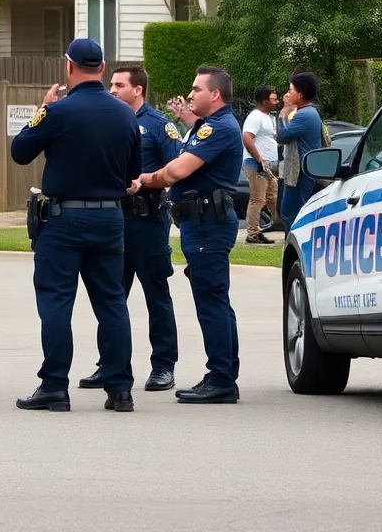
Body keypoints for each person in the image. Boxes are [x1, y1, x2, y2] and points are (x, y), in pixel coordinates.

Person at [11, 38, 141, 413]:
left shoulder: (58, 111)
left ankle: (54, 386)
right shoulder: (125, 115)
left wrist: (44, 110)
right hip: (109, 217)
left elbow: (20, 152)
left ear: (69, 66)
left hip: (63, 219)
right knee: (112, 302)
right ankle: (120, 389)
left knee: (56, 302)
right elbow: (132, 171)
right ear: (102, 68)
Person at [138, 66, 244, 404]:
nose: (190, 94)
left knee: (211, 302)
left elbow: (178, 170)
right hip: (202, 222)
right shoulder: (209, 125)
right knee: (215, 300)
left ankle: (221, 378)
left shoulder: (218, 127)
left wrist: (145, 179)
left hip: (207, 223)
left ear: (215, 94)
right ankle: (224, 373)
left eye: (196, 89)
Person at [78, 65, 182, 393]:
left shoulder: (159, 125)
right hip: (114, 220)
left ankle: (163, 366)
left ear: (137, 90)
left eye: (119, 85)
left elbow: (176, 168)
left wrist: (146, 182)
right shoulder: (108, 121)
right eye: (111, 83)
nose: (111, 89)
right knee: (111, 296)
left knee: (156, 294)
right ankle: (110, 365)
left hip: (148, 220)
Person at [277, 72, 324, 233]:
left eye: (290, 90)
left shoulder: (304, 115)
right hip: (303, 171)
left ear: (300, 95)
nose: (287, 94)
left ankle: (294, 244)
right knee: (292, 211)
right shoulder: (308, 113)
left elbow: (282, 136)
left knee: (290, 213)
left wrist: (283, 112)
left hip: (299, 173)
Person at [242, 86, 280, 245]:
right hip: (256, 164)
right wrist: (259, 159)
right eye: (273, 99)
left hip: (266, 165)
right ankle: (252, 233)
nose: (276, 102)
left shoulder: (269, 117)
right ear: (264, 101)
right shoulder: (255, 117)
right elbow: (247, 137)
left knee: (273, 196)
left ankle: (278, 223)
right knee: (258, 199)